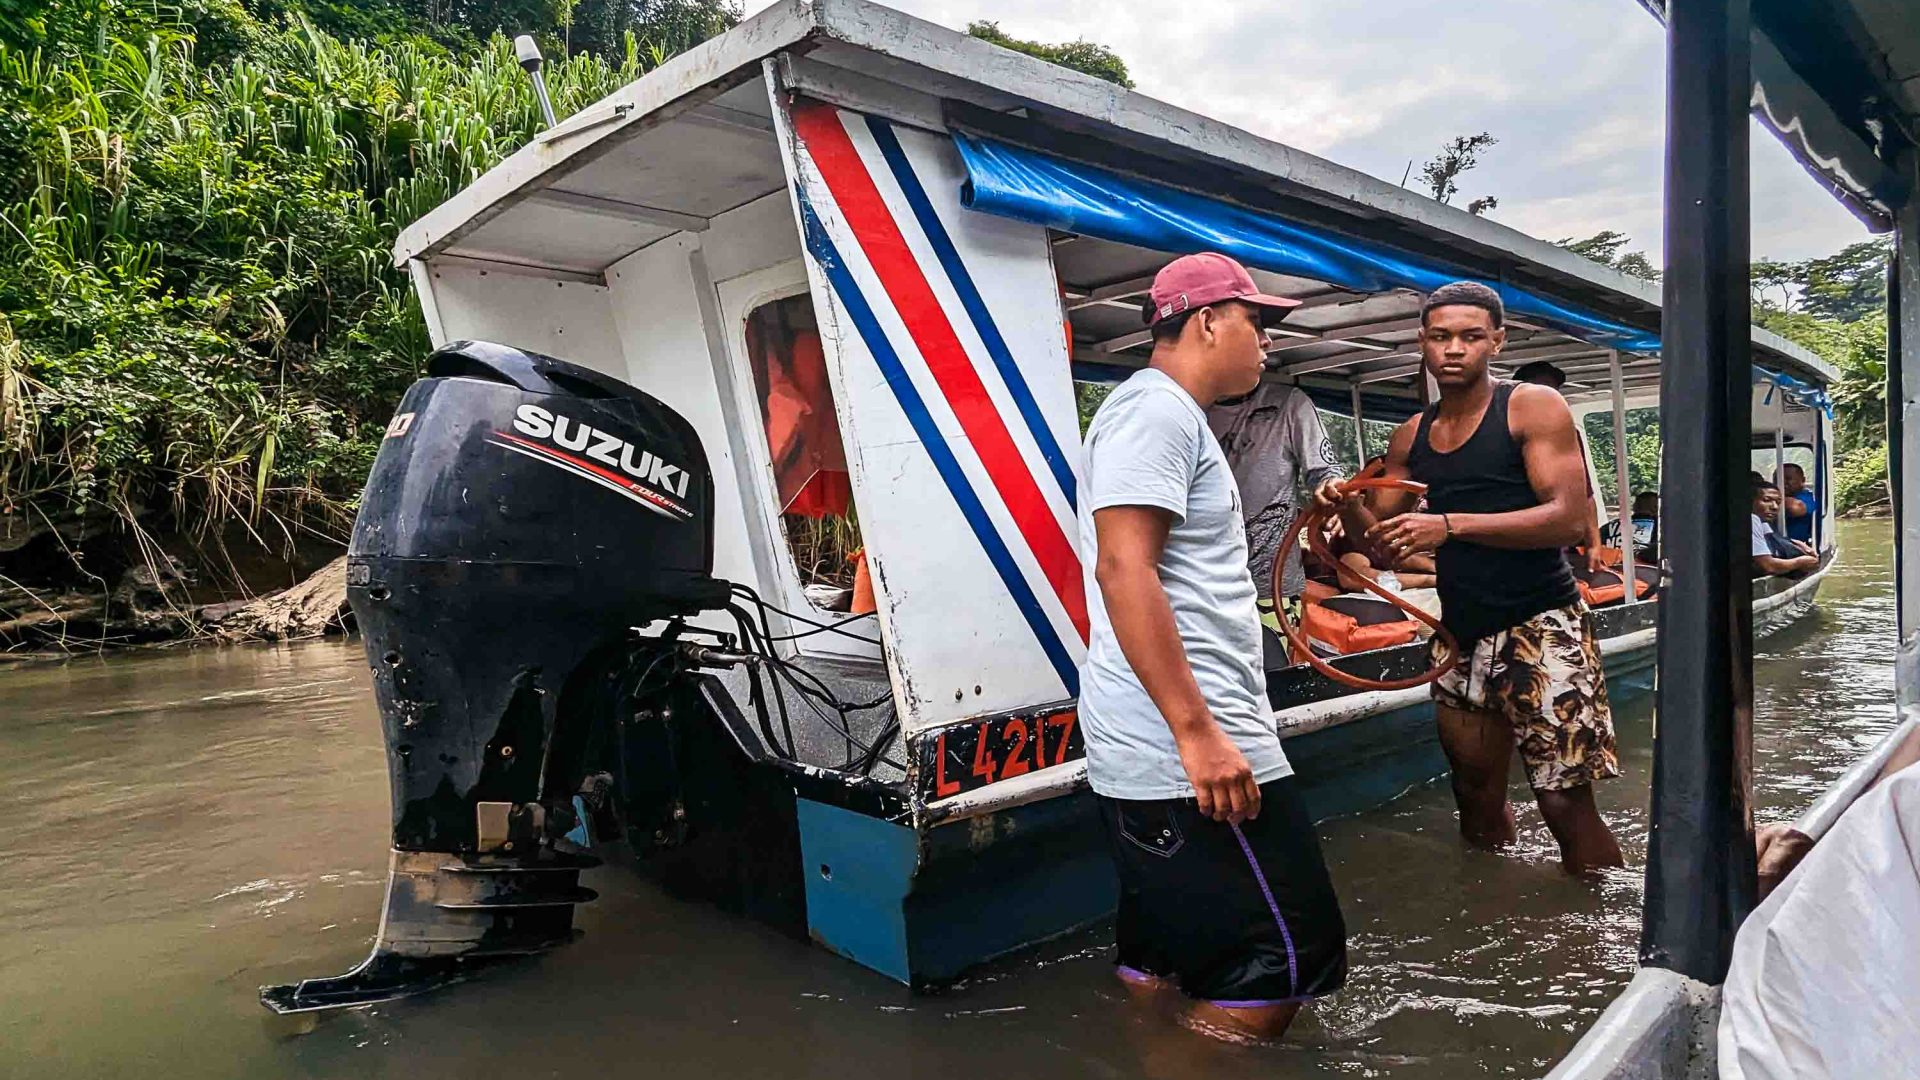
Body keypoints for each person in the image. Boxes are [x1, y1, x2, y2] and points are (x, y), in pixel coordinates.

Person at [1078, 252, 1346, 1040]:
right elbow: (1124, 567)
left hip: (1162, 745)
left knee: (1162, 954)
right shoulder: (1156, 414)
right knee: (1282, 958)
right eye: (1256, 324)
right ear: (1208, 321)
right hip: (1187, 751)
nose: (1265, 345)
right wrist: (1199, 736)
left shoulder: (1164, 415)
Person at [1318, 281, 1625, 874]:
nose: (1453, 349)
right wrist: (1344, 503)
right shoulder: (1411, 433)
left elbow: (1568, 518)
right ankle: (1493, 914)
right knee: (1475, 800)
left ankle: (1607, 932)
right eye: (1440, 337)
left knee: (1563, 802)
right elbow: (1378, 545)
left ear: (1497, 342)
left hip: (1541, 625)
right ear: (1422, 345)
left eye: (1470, 336)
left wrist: (1450, 526)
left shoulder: (1532, 406)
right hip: (1459, 636)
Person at [1207, 371, 1343, 621]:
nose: (1264, 343)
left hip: (1272, 586)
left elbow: (1325, 472)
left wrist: (1332, 493)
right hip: (1202, 587)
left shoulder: (1288, 403)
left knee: (1277, 657)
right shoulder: (1187, 404)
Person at [1513, 360, 1607, 571]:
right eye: (1543, 392)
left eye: (1553, 392)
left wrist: (1593, 545)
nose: (1550, 399)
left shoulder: (1567, 434)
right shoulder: (1500, 431)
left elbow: (1584, 491)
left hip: (1557, 545)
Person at [1751, 480, 1818, 577]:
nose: (1774, 507)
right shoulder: (1752, 519)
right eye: (1766, 500)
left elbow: (1772, 538)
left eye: (1778, 502)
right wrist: (1800, 562)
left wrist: (1797, 544)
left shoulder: (1763, 521)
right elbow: (1768, 566)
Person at [1599, 491, 1659, 560]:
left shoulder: (1608, 527)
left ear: (1634, 507)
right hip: (1646, 569)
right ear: (1656, 508)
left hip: (1609, 568)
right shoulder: (1664, 529)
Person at [1779, 462, 1819, 546]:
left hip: (1795, 547)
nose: (1782, 482)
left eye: (1788, 479)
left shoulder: (1808, 497)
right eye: (1777, 479)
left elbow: (1794, 508)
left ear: (1803, 480)